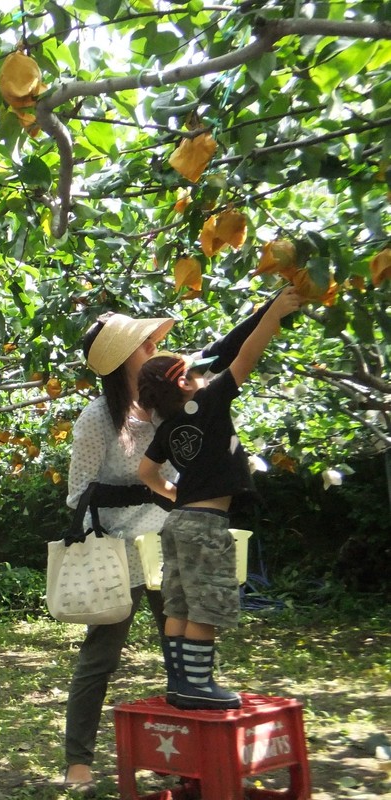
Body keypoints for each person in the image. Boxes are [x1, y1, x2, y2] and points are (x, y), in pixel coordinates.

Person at [137, 286, 301, 711]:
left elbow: (145, 472)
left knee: (179, 603)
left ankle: (179, 684)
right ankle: (198, 685)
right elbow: (246, 356)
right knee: (206, 606)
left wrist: (172, 496)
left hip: (177, 524)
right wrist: (274, 314)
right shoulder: (207, 401)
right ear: (185, 381)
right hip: (206, 525)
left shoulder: (167, 427)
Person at [62, 311, 176, 790]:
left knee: (183, 648)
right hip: (119, 552)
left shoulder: (167, 408)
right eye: (143, 342)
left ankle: (185, 744)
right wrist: (147, 490)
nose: (154, 345)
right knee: (101, 655)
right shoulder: (98, 417)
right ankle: (78, 762)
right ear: (122, 358)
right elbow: (78, 494)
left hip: (166, 544)